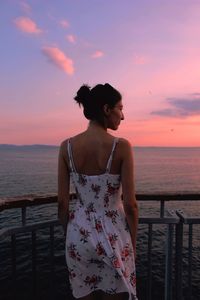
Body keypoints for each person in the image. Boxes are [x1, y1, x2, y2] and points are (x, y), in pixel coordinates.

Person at [58, 83, 138, 300]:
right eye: (120, 108)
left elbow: (62, 204)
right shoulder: (121, 146)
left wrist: (71, 234)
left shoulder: (66, 147)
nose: (123, 116)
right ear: (106, 109)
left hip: (78, 235)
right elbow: (131, 205)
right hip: (114, 237)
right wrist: (132, 243)